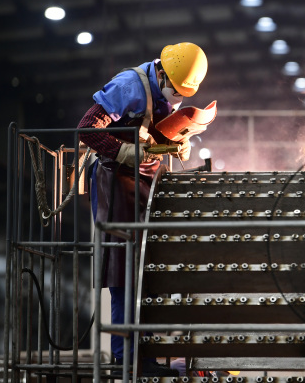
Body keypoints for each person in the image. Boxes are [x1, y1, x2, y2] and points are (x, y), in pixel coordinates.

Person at [78, 42, 208, 377]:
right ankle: (127, 358)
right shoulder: (129, 86)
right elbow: (87, 129)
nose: (175, 98)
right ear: (162, 72)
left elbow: (158, 125)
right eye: (174, 90)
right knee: (123, 269)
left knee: (146, 268)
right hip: (113, 177)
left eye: (181, 94)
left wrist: (179, 139)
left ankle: (146, 353)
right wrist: (124, 153)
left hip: (144, 177)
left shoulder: (162, 92)